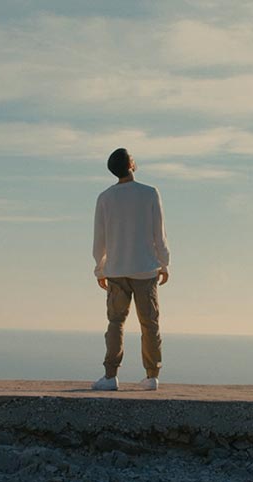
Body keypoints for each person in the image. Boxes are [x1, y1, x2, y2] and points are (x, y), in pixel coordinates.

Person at [91, 148, 170, 391]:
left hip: (116, 270)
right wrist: (164, 263)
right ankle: (152, 376)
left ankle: (110, 375)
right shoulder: (149, 194)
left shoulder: (105, 197)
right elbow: (159, 234)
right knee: (150, 323)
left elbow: (99, 240)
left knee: (115, 322)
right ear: (131, 165)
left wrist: (100, 268)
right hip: (145, 270)